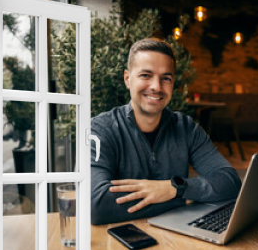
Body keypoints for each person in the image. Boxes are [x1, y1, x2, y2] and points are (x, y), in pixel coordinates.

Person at [90, 38, 242, 225]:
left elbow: (229, 182)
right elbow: (96, 205)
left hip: (176, 240)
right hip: (120, 243)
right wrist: (182, 198)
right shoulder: (100, 129)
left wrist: (175, 188)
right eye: (146, 75)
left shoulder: (186, 128)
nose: (156, 86)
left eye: (166, 78)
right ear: (127, 79)